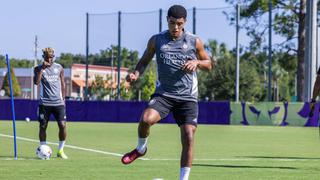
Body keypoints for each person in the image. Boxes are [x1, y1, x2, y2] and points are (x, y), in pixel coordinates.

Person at [121, 5, 212, 180]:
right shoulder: (157, 40)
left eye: (179, 23)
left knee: (188, 136)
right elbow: (144, 60)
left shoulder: (195, 41)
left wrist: (197, 63)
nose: (175, 27)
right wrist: (135, 74)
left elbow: (209, 64)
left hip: (187, 97)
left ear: (185, 22)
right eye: (172, 23)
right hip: (164, 95)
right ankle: (141, 149)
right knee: (146, 120)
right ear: (167, 20)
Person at [34, 47, 68, 159]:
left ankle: (61, 150)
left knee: (62, 125)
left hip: (58, 103)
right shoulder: (38, 68)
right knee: (43, 126)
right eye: (48, 58)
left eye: (52, 57)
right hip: (45, 103)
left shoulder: (59, 67)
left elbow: (63, 83)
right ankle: (43, 149)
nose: (50, 60)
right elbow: (36, 82)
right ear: (44, 57)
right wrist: (42, 69)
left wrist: (63, 99)